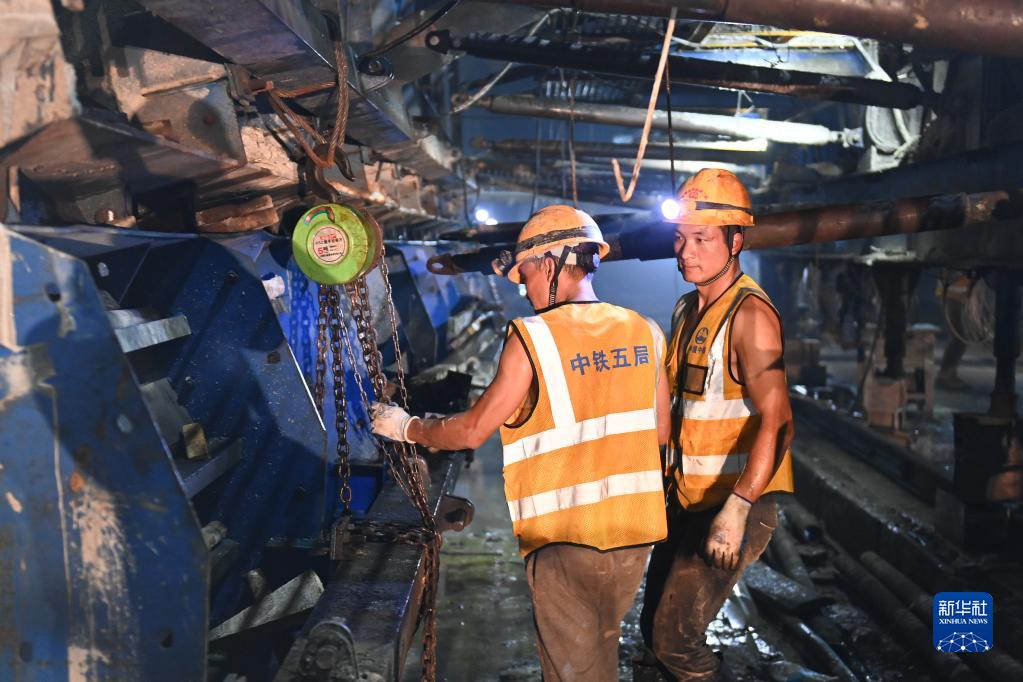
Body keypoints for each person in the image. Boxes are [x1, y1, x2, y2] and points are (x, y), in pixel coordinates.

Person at [371, 205, 670, 682]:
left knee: (574, 670)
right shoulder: (646, 331)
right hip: (634, 533)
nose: (523, 288)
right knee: (600, 644)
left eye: (526, 274)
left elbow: (472, 430)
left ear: (551, 263)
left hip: (568, 537)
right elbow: (660, 434)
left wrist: (407, 427)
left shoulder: (534, 337)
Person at [640, 169, 795, 681]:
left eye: (702, 239)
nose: (686, 252)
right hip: (688, 499)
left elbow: (780, 422)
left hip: (733, 503)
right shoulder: (688, 308)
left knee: (675, 641)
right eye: (680, 239)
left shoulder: (750, 316)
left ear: (736, 241)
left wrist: (738, 509)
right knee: (653, 632)